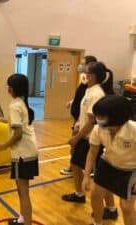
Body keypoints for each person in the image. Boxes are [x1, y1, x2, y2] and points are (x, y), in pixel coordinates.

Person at [62, 62, 118, 219]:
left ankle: (110, 208)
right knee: (76, 165)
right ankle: (81, 194)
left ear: (93, 75)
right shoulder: (89, 90)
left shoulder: (97, 94)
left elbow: (92, 120)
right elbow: (85, 115)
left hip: (90, 138)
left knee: (100, 177)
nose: (83, 74)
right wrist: (78, 125)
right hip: (85, 135)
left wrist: (76, 138)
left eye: (85, 71)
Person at [0, 74, 38, 225]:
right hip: (29, 151)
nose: (7, 88)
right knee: (22, 190)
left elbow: (17, 133)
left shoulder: (14, 105)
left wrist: (3, 146)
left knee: (23, 191)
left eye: (8, 86)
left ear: (12, 89)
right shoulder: (22, 102)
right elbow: (15, 123)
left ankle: (26, 222)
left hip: (22, 155)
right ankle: (23, 219)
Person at [82, 95, 136, 225]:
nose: (97, 119)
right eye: (97, 115)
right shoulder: (98, 129)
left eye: (102, 115)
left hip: (130, 171)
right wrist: (86, 175)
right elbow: (92, 152)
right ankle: (98, 222)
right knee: (95, 194)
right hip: (107, 164)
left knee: (126, 207)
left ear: (117, 116)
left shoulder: (133, 129)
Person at [61, 55, 98, 175]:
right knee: (75, 146)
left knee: (80, 146)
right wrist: (72, 102)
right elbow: (81, 98)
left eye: (83, 64)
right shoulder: (84, 82)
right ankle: (73, 166)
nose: (81, 66)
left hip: (84, 124)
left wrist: (79, 123)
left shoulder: (95, 88)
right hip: (78, 120)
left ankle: (83, 168)